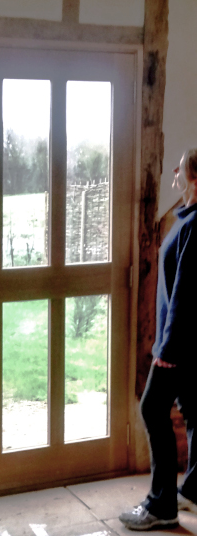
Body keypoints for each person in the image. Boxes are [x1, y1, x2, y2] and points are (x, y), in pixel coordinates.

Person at [120, 148, 197, 530]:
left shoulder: (195, 225)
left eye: (180, 168)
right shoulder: (187, 218)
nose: (174, 172)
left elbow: (185, 293)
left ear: (194, 176)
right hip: (188, 345)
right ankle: (194, 491)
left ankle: (161, 504)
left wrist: (166, 350)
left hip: (181, 346)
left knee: (153, 409)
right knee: (196, 411)